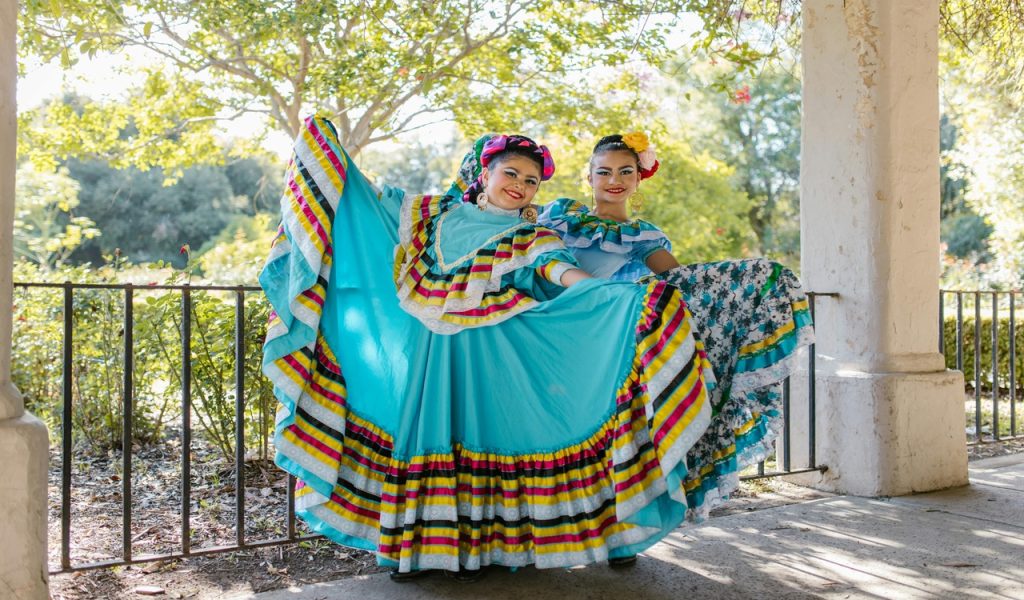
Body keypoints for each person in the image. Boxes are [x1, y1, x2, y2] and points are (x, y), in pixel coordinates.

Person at [260, 118, 716, 581]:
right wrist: (330, 155)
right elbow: (373, 208)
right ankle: (417, 552)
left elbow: (561, 273)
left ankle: (537, 541)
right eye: (511, 174)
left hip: (492, 355)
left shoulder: (534, 236)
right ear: (487, 173)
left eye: (532, 180)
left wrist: (615, 296)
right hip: (431, 355)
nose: (520, 185)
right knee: (428, 434)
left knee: (499, 434)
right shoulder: (435, 214)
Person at [538, 132, 815, 520]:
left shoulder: (642, 236)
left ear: (638, 179)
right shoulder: (558, 215)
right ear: (589, 177)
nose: (614, 179)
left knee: (607, 433)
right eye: (603, 171)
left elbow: (683, 283)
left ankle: (615, 530)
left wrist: (756, 278)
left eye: (625, 171)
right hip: (547, 331)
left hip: (608, 340)